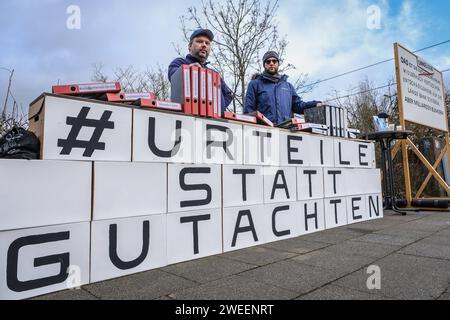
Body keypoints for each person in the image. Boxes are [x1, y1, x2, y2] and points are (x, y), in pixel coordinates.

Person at [244, 51, 323, 126]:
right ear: (264, 65)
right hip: (264, 131)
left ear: (278, 64)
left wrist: (315, 104)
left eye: (274, 61)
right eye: (268, 61)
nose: (271, 63)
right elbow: (248, 111)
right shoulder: (255, 84)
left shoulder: (288, 87)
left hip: (286, 131)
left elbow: (298, 106)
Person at [168, 28, 233, 114]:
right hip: (187, 117)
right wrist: (188, 71)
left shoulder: (214, 74)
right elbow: (173, 76)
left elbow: (228, 94)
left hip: (214, 120)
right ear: (189, 46)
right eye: (199, 41)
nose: (204, 45)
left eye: (207, 43)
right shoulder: (179, 63)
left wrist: (218, 108)